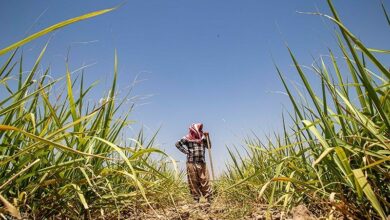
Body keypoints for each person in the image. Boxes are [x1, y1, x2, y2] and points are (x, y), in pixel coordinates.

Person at [175, 123, 212, 203]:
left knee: (204, 179)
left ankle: (209, 198)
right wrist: (186, 151)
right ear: (193, 129)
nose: (199, 131)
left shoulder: (203, 137)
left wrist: (207, 137)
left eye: (200, 129)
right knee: (193, 180)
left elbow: (209, 146)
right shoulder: (187, 138)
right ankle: (196, 199)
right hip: (191, 162)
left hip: (202, 162)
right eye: (198, 129)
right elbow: (177, 144)